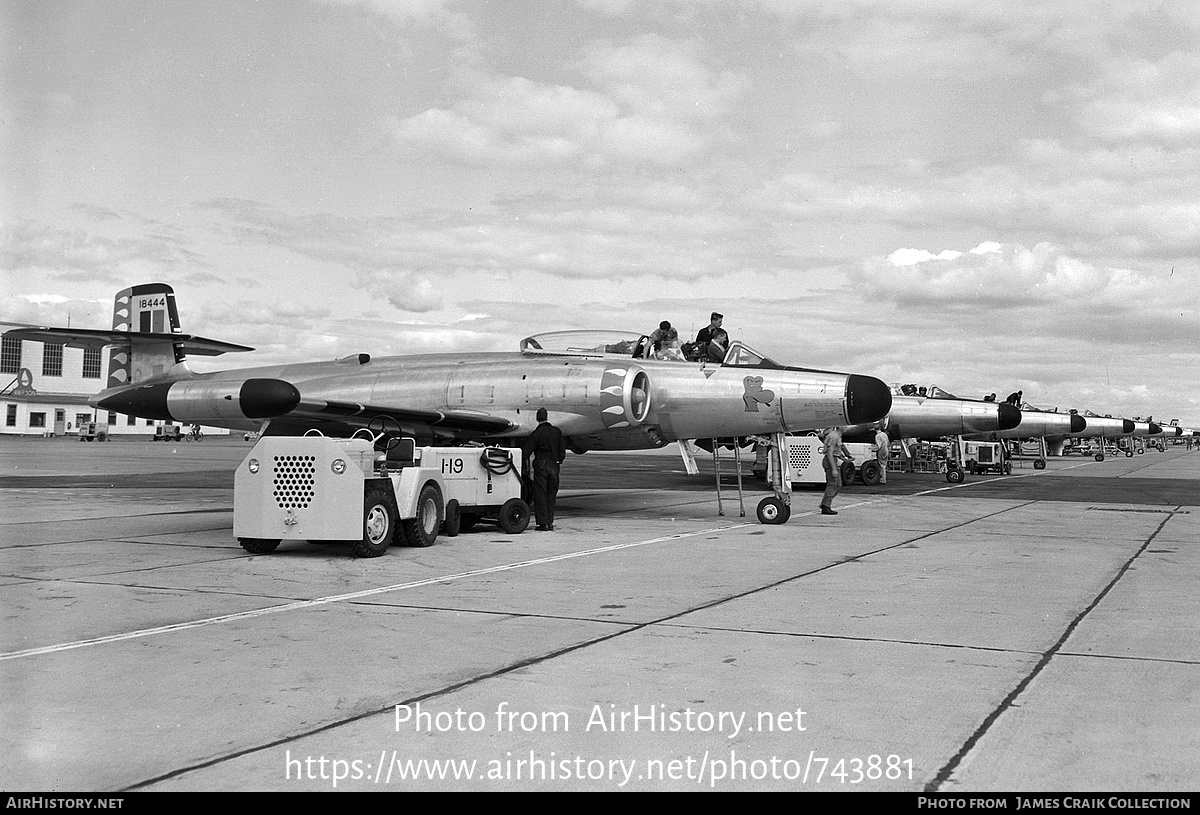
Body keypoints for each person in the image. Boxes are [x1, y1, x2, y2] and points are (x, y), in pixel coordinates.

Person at [522, 407, 566, 531]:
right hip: (554, 466)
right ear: (547, 417)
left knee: (540, 494)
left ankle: (543, 523)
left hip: (541, 466)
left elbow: (527, 451)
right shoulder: (556, 432)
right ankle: (550, 522)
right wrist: (559, 460)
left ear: (537, 419)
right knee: (551, 495)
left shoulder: (536, 433)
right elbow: (562, 450)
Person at [819, 427, 854, 515]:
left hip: (832, 460)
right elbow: (830, 453)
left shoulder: (836, 435)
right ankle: (825, 506)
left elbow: (837, 449)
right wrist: (834, 469)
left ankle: (825, 503)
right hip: (830, 461)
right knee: (832, 484)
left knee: (838, 484)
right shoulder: (834, 436)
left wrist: (845, 457)